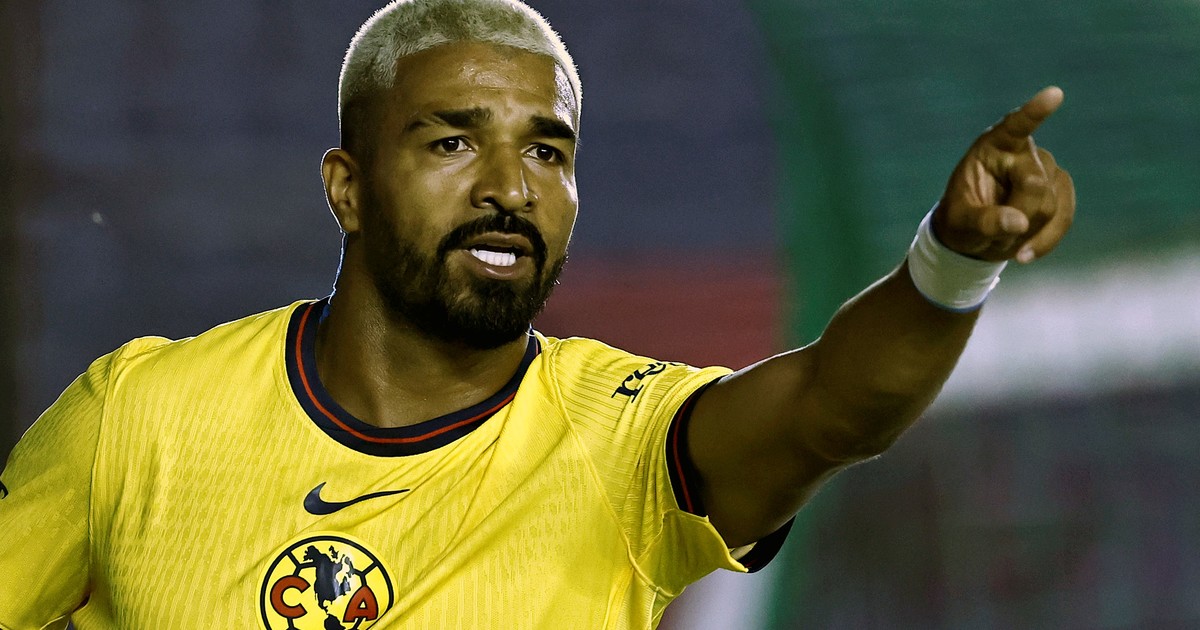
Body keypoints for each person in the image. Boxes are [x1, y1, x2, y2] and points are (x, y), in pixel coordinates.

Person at [0, 0, 1074, 628]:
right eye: (452, 141)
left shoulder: (624, 442)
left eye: (547, 151)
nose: (511, 186)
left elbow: (834, 409)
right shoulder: (136, 415)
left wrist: (953, 260)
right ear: (348, 188)